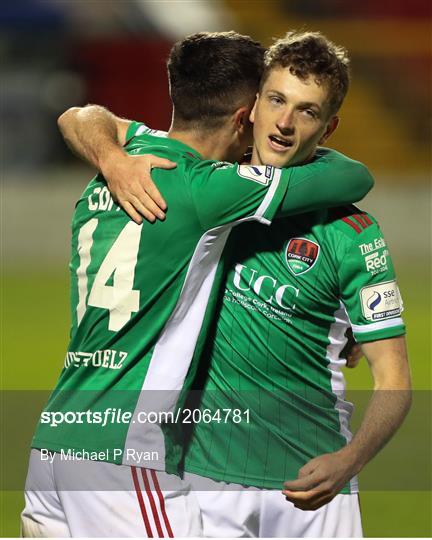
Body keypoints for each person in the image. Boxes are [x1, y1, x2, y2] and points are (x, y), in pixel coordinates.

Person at [58, 30, 411, 538]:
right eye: (276, 100)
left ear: (328, 126)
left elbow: (395, 381)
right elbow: (82, 115)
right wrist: (111, 160)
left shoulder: (350, 232)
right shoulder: (210, 194)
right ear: (250, 109)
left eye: (307, 111)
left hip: (312, 485)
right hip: (202, 481)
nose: (285, 123)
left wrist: (350, 459)